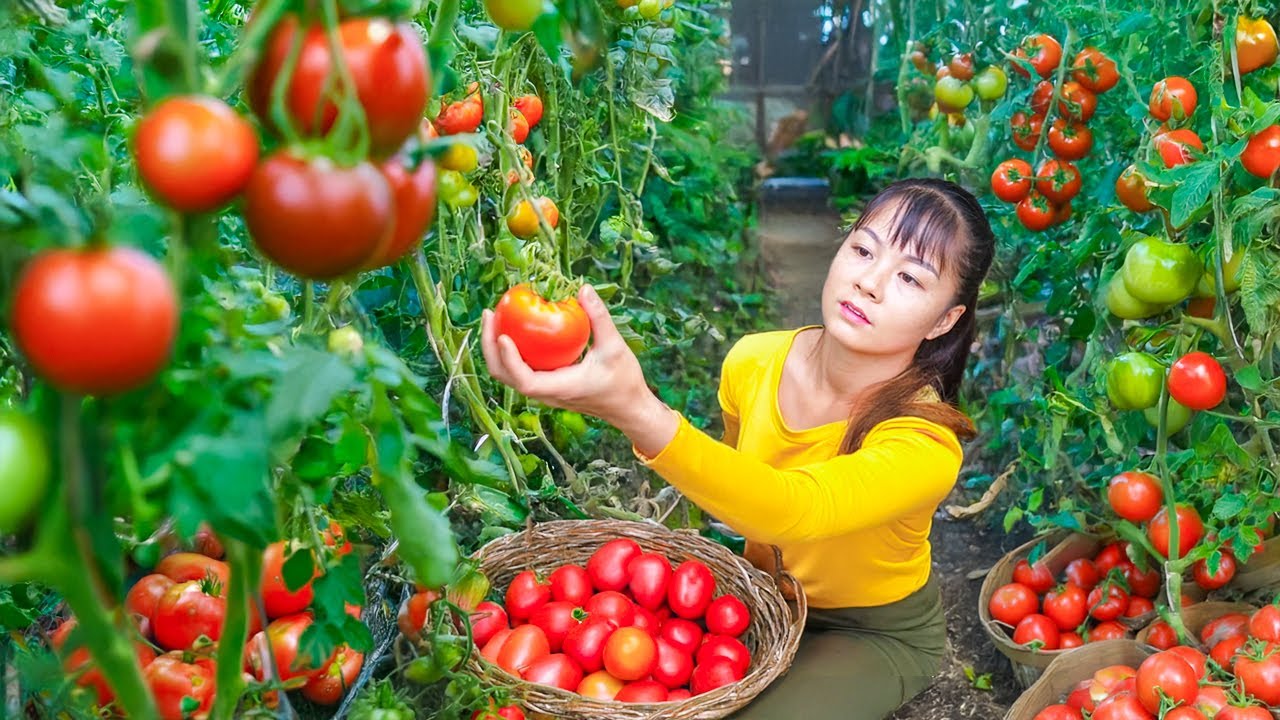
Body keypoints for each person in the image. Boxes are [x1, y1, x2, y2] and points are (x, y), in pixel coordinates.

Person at [480, 178, 997, 719]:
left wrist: (636, 410)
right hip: (759, 598)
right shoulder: (752, 363)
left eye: (910, 278)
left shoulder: (924, 440)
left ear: (945, 320)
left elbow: (793, 509)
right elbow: (735, 494)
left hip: (868, 629)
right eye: (863, 249)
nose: (869, 282)